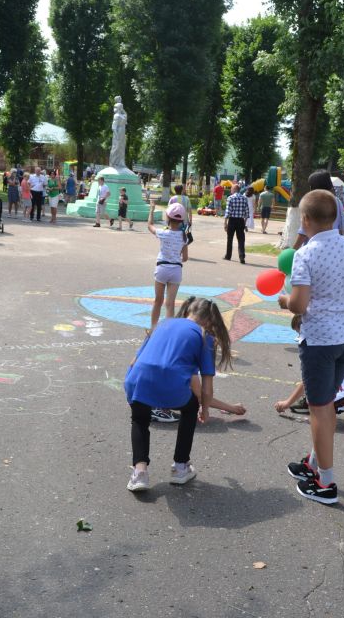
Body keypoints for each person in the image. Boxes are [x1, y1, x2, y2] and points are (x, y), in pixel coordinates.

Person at [277, 190, 344, 504]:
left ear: (305, 220)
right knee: (327, 405)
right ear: (335, 217)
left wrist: (285, 301)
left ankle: (326, 481)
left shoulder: (305, 254)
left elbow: (299, 305)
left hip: (320, 340)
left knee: (319, 409)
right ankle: (313, 462)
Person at [125, 296, 232, 492]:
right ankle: (180, 467)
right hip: (170, 388)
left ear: (188, 310)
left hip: (136, 382)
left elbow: (134, 361)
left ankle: (140, 472)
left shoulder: (162, 324)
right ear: (210, 320)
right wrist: (204, 409)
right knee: (190, 408)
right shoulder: (203, 336)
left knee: (139, 419)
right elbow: (206, 387)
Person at [275, 342, 344, 425]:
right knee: (319, 399)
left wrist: (287, 402)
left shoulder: (330, 345)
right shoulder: (332, 337)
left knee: (323, 408)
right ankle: (310, 401)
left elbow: (310, 377)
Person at [147, 200, 189, 331]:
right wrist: (175, 258)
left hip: (162, 269)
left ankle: (153, 329)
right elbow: (185, 258)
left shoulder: (163, 233)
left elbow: (150, 225)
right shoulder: (184, 237)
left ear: (168, 218)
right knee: (170, 304)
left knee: (158, 301)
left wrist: (152, 209)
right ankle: (168, 332)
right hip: (176, 270)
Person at [292, 171, 344, 249]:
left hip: (314, 247)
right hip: (333, 246)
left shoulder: (313, 203)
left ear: (314, 187)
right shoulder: (338, 202)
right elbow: (342, 228)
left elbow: (304, 231)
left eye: (311, 186)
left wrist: (294, 249)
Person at [223, 183, 249, 263]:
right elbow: (247, 212)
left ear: (234, 189)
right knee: (241, 239)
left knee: (230, 238)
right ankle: (242, 257)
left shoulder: (230, 198)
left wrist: (225, 223)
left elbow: (228, 212)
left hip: (232, 220)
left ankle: (228, 256)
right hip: (241, 220)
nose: (230, 190)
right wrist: (244, 223)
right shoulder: (244, 198)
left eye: (231, 188)